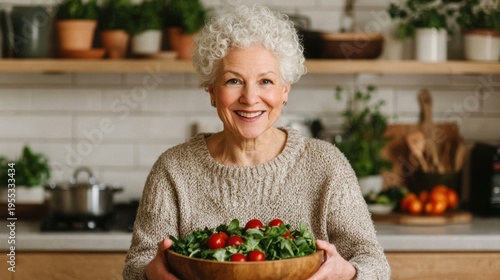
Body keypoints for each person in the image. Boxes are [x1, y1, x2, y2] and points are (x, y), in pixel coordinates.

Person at [123, 4, 390, 280]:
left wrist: (349, 272)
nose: (250, 98)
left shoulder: (327, 165)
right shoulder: (173, 170)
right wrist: (150, 273)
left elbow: (374, 264)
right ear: (211, 90)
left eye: (265, 81)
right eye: (234, 80)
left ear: (285, 91)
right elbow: (136, 266)